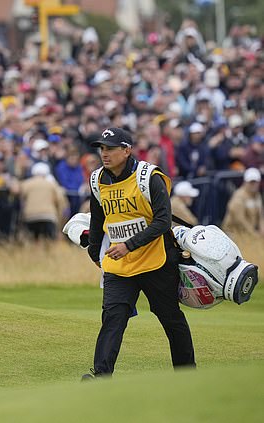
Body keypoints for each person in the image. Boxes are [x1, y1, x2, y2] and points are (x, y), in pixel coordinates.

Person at [83, 127, 195, 380]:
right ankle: (101, 376)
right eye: (102, 148)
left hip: (157, 261)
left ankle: (188, 376)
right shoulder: (97, 180)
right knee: (114, 317)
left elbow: (163, 222)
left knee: (171, 319)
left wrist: (128, 245)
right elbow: (98, 217)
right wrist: (94, 251)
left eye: (110, 148)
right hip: (119, 266)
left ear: (127, 150)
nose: (104, 153)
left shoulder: (148, 177)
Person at [222, 168, 263, 236]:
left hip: (247, 233)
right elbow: (240, 220)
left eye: (255, 182)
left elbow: (260, 215)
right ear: (245, 182)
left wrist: (262, 229)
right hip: (233, 234)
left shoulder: (257, 195)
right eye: (251, 182)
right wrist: (254, 234)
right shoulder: (238, 197)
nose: (254, 184)